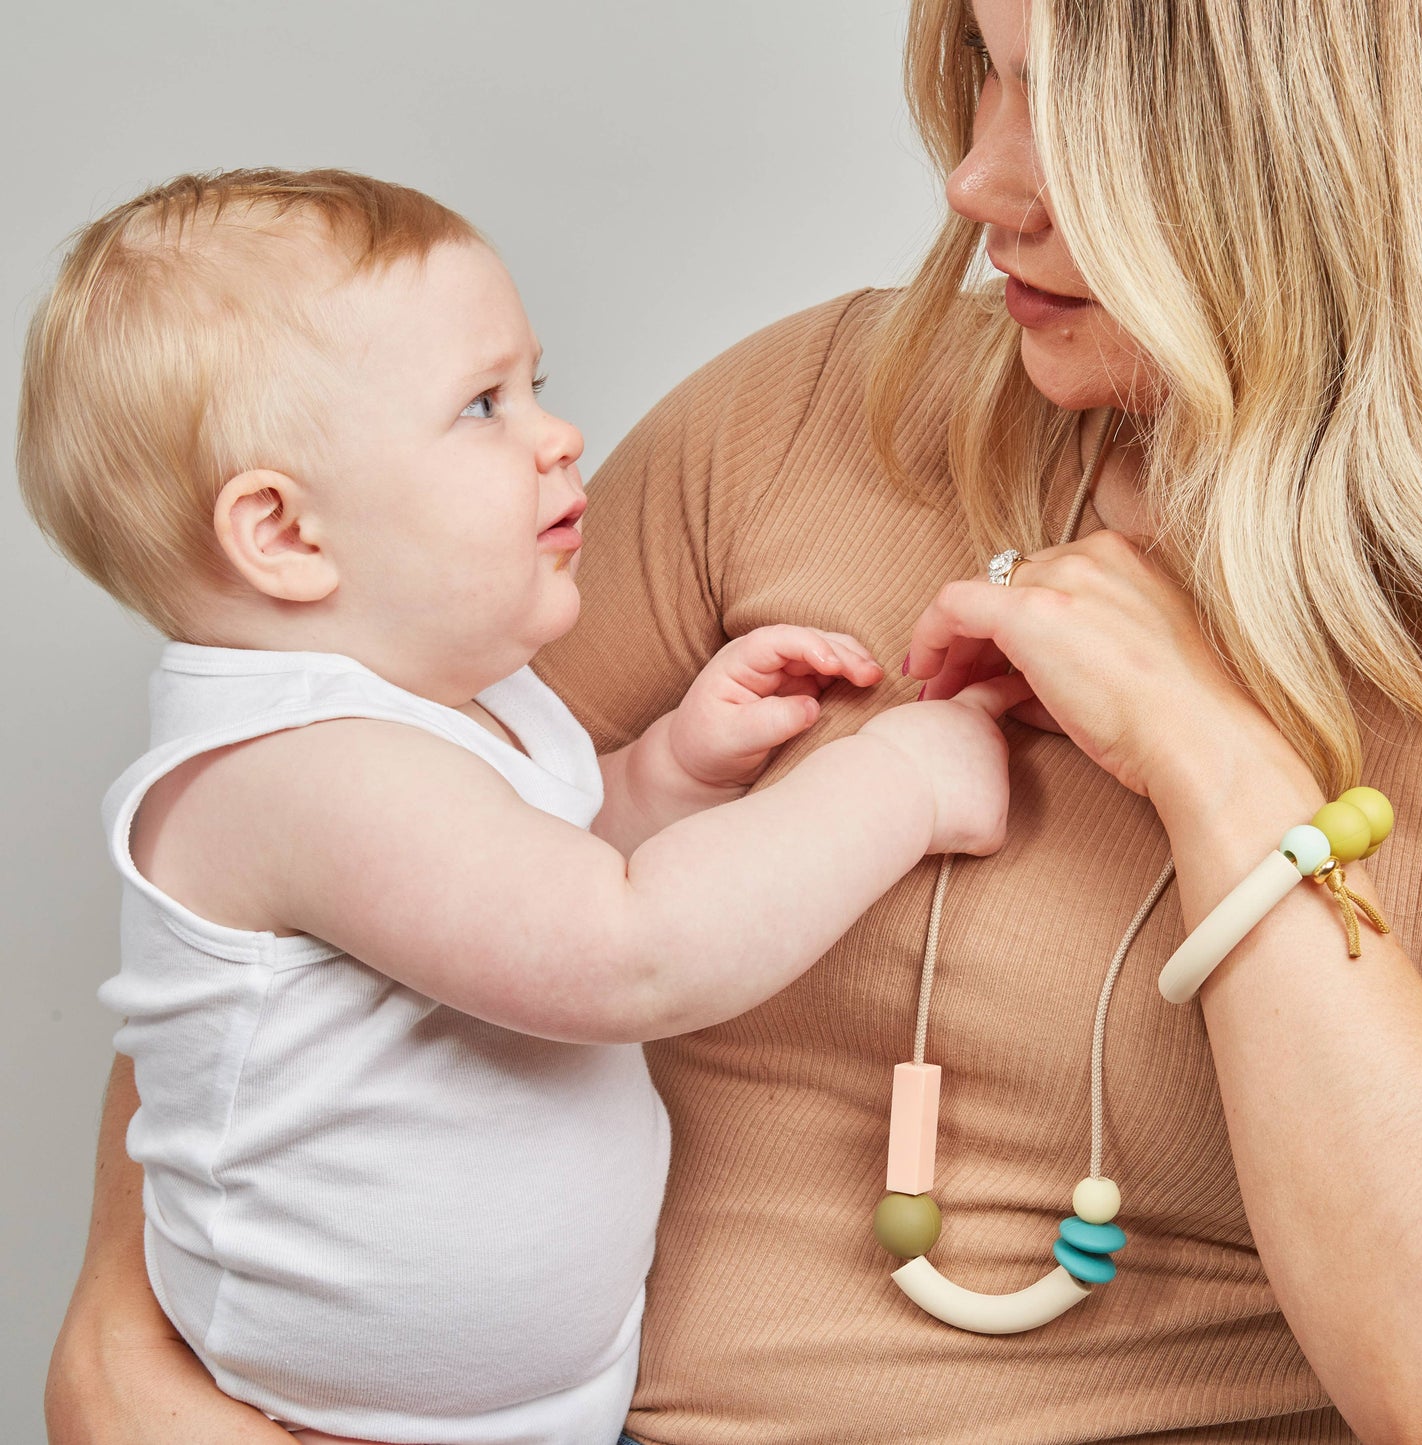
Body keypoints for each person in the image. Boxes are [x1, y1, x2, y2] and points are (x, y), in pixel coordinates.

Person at [44, 0, 1422, 1442]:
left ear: (1286, 152)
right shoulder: (806, 412)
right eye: (980, 77)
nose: (972, 181)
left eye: (1061, 104)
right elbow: (302, 989)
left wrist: (1210, 758)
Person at [19, 169, 1031, 1445]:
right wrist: (895, 780)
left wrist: (668, 772)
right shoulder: (296, 769)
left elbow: (533, 872)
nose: (556, 434)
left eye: (533, 386)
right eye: (481, 407)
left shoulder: (442, 705)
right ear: (282, 534)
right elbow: (621, 953)